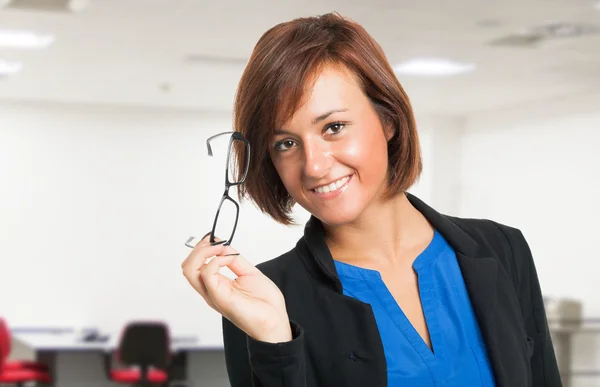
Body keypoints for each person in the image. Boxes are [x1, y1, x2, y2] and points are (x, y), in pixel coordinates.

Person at [181, 12, 561, 387]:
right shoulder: (265, 298)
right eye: (286, 143)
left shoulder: (501, 248)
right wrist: (274, 340)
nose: (313, 166)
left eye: (333, 127)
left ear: (388, 120)